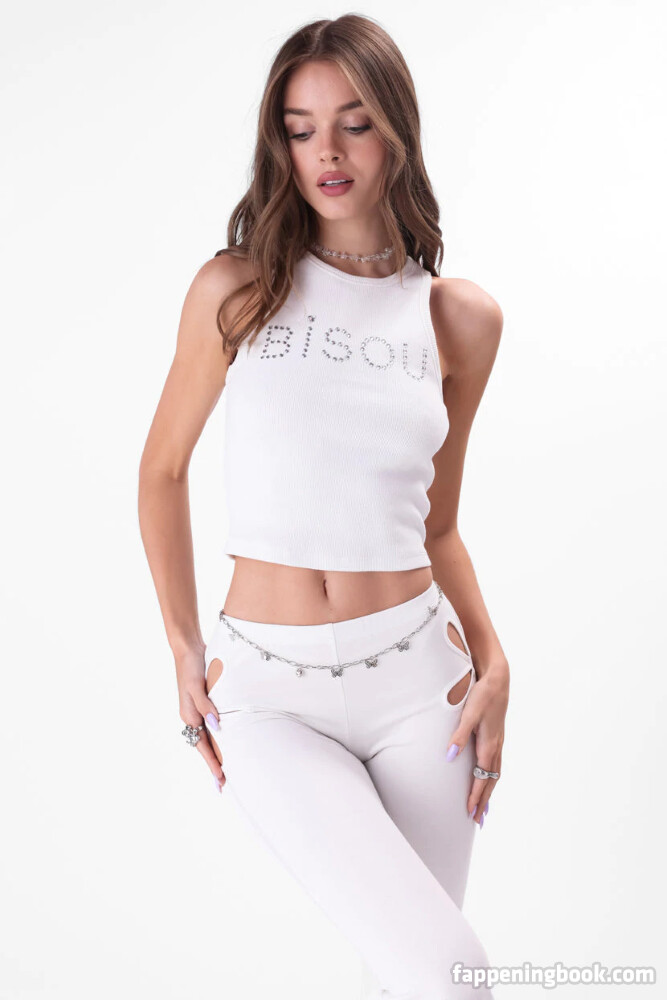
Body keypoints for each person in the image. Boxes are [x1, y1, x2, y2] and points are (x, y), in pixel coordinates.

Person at [138, 14, 509, 1000]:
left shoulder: (458, 319)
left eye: (353, 122)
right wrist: (181, 643)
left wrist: (493, 657)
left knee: (416, 980)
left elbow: (438, 524)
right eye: (301, 129)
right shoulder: (237, 289)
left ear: (396, 129)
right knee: (455, 973)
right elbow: (162, 471)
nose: (327, 153)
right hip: (267, 692)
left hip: (420, 688)